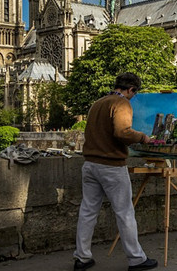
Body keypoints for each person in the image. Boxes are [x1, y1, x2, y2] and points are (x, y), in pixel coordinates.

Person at [73, 72, 158, 271]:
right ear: (131, 89)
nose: (133, 97)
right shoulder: (121, 104)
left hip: (90, 164)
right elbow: (122, 132)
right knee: (125, 212)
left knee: (87, 212)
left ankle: (82, 258)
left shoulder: (98, 103)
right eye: (133, 93)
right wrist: (143, 137)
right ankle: (136, 259)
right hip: (111, 166)